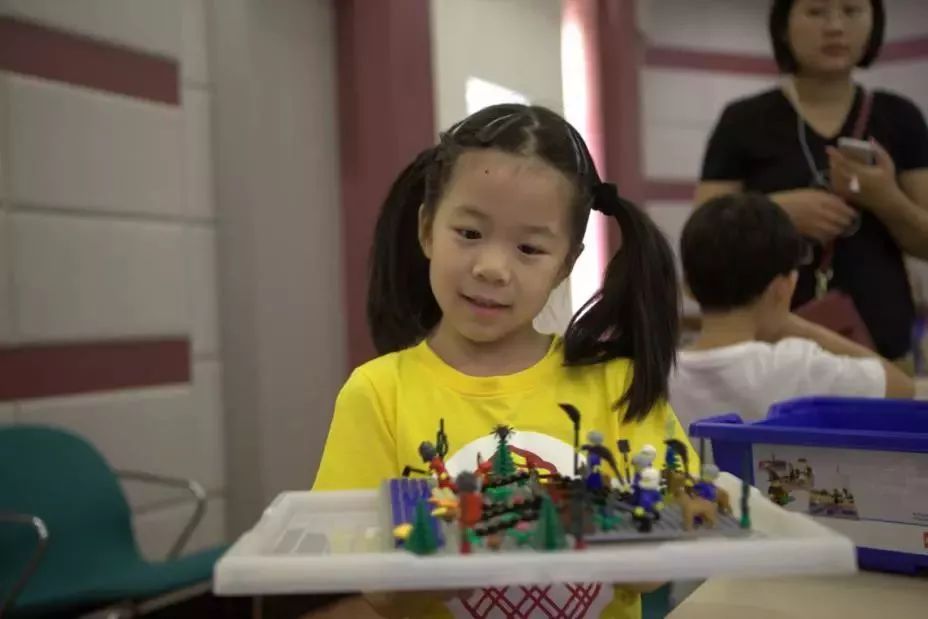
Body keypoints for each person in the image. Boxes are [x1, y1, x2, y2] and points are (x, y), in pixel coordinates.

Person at [313, 103, 694, 619]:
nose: (492, 268)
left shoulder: (616, 385)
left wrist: (513, 526)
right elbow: (361, 580)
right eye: (469, 234)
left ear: (566, 263)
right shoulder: (379, 393)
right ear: (427, 229)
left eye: (529, 248)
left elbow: (663, 556)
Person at [695, 0, 928, 362]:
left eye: (851, 11)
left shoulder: (901, 117)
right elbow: (702, 234)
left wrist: (886, 198)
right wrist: (772, 210)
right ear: (784, 27)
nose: (835, 26)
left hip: (883, 351)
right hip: (769, 351)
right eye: (816, 12)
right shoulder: (743, 120)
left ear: (874, 23)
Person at [670, 193, 914, 427]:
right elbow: (901, 389)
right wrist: (798, 327)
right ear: (783, 288)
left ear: (687, 286)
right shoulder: (798, 364)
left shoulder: (656, 372)